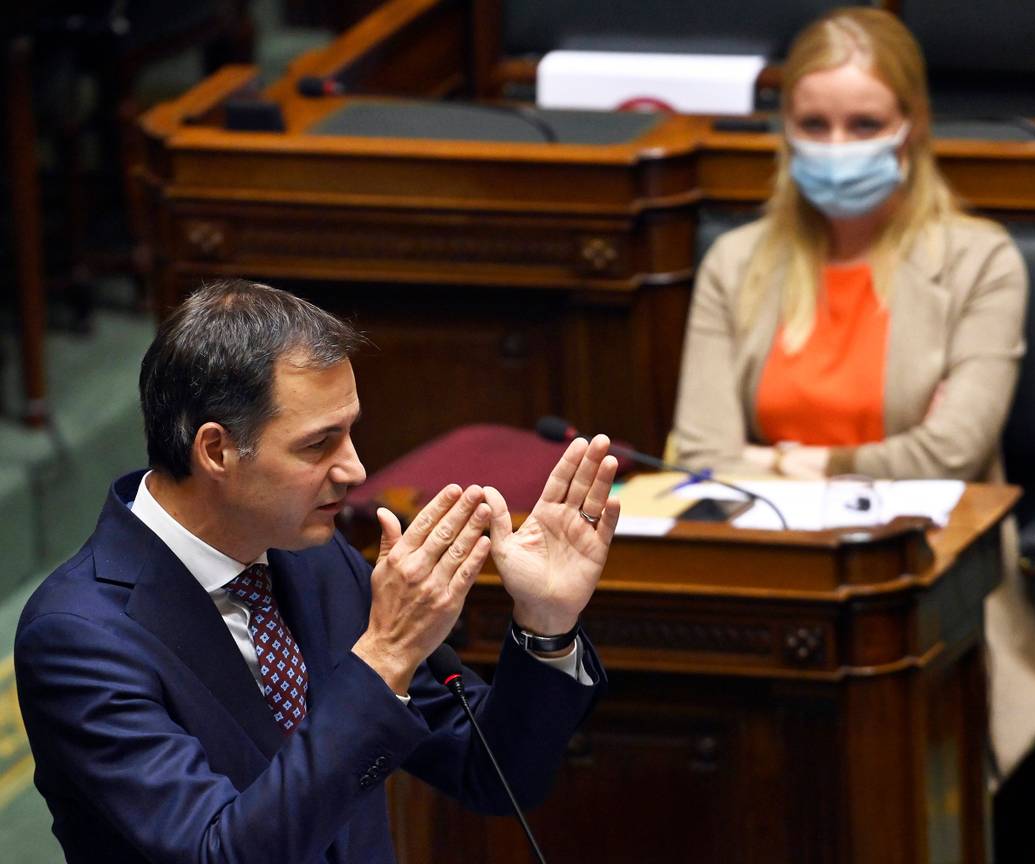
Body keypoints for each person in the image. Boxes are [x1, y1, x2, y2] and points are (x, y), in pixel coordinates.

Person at [14, 279, 621, 864]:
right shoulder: (79, 639)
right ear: (217, 451)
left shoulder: (317, 561)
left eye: (350, 432)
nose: (355, 470)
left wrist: (546, 624)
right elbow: (218, 851)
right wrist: (386, 653)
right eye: (318, 445)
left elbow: (488, 772)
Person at [672, 8, 1035, 786]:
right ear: (784, 129)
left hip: (924, 583)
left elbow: (946, 456)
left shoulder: (981, 261)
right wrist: (861, 463)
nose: (836, 147)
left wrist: (788, 461)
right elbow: (705, 453)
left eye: (864, 123)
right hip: (769, 578)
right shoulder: (736, 262)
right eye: (814, 123)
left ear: (911, 126)